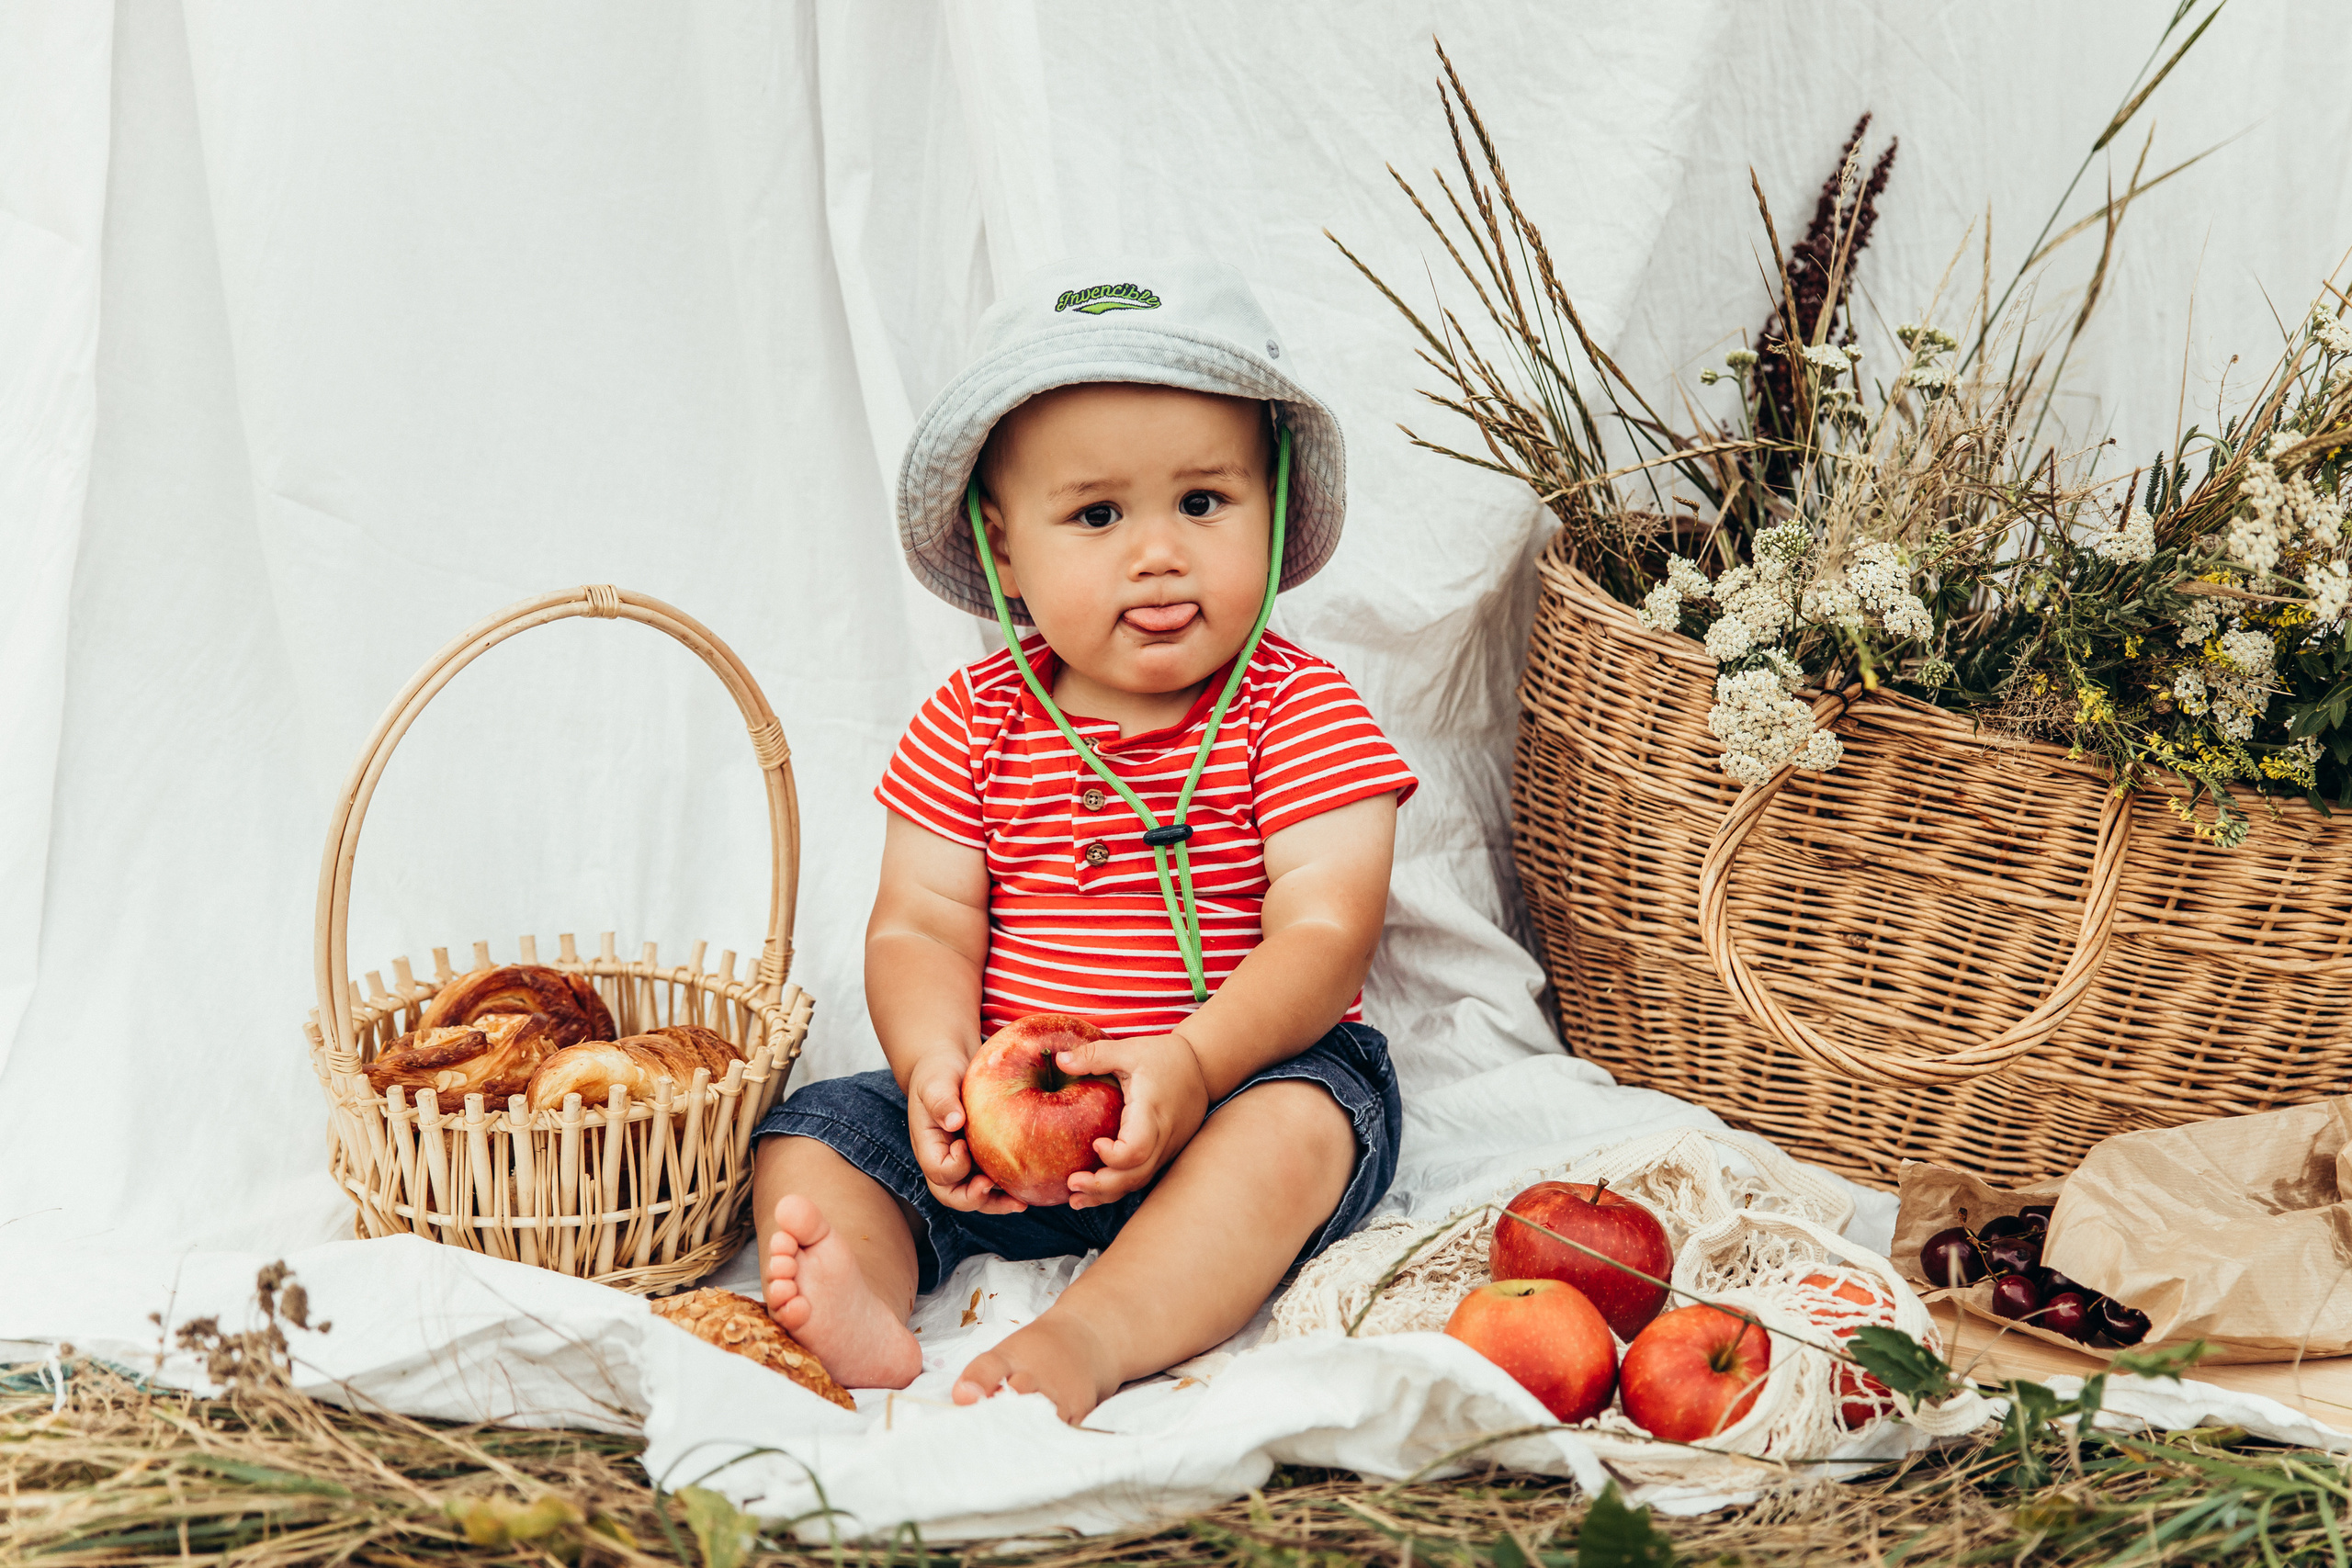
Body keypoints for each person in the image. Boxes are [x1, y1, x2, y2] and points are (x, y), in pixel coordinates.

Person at [746, 256, 1415, 1423]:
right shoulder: (977, 718)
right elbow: (919, 921)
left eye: (1203, 503)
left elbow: (1327, 929)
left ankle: (1096, 1332)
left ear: (1272, 504)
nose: (1156, 553)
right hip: (1018, 1138)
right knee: (813, 1132)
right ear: (1005, 552)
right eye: (1097, 514)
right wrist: (935, 1072)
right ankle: (869, 1294)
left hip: (1232, 1084)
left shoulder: (1294, 706)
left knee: (1302, 1126)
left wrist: (1195, 1065)